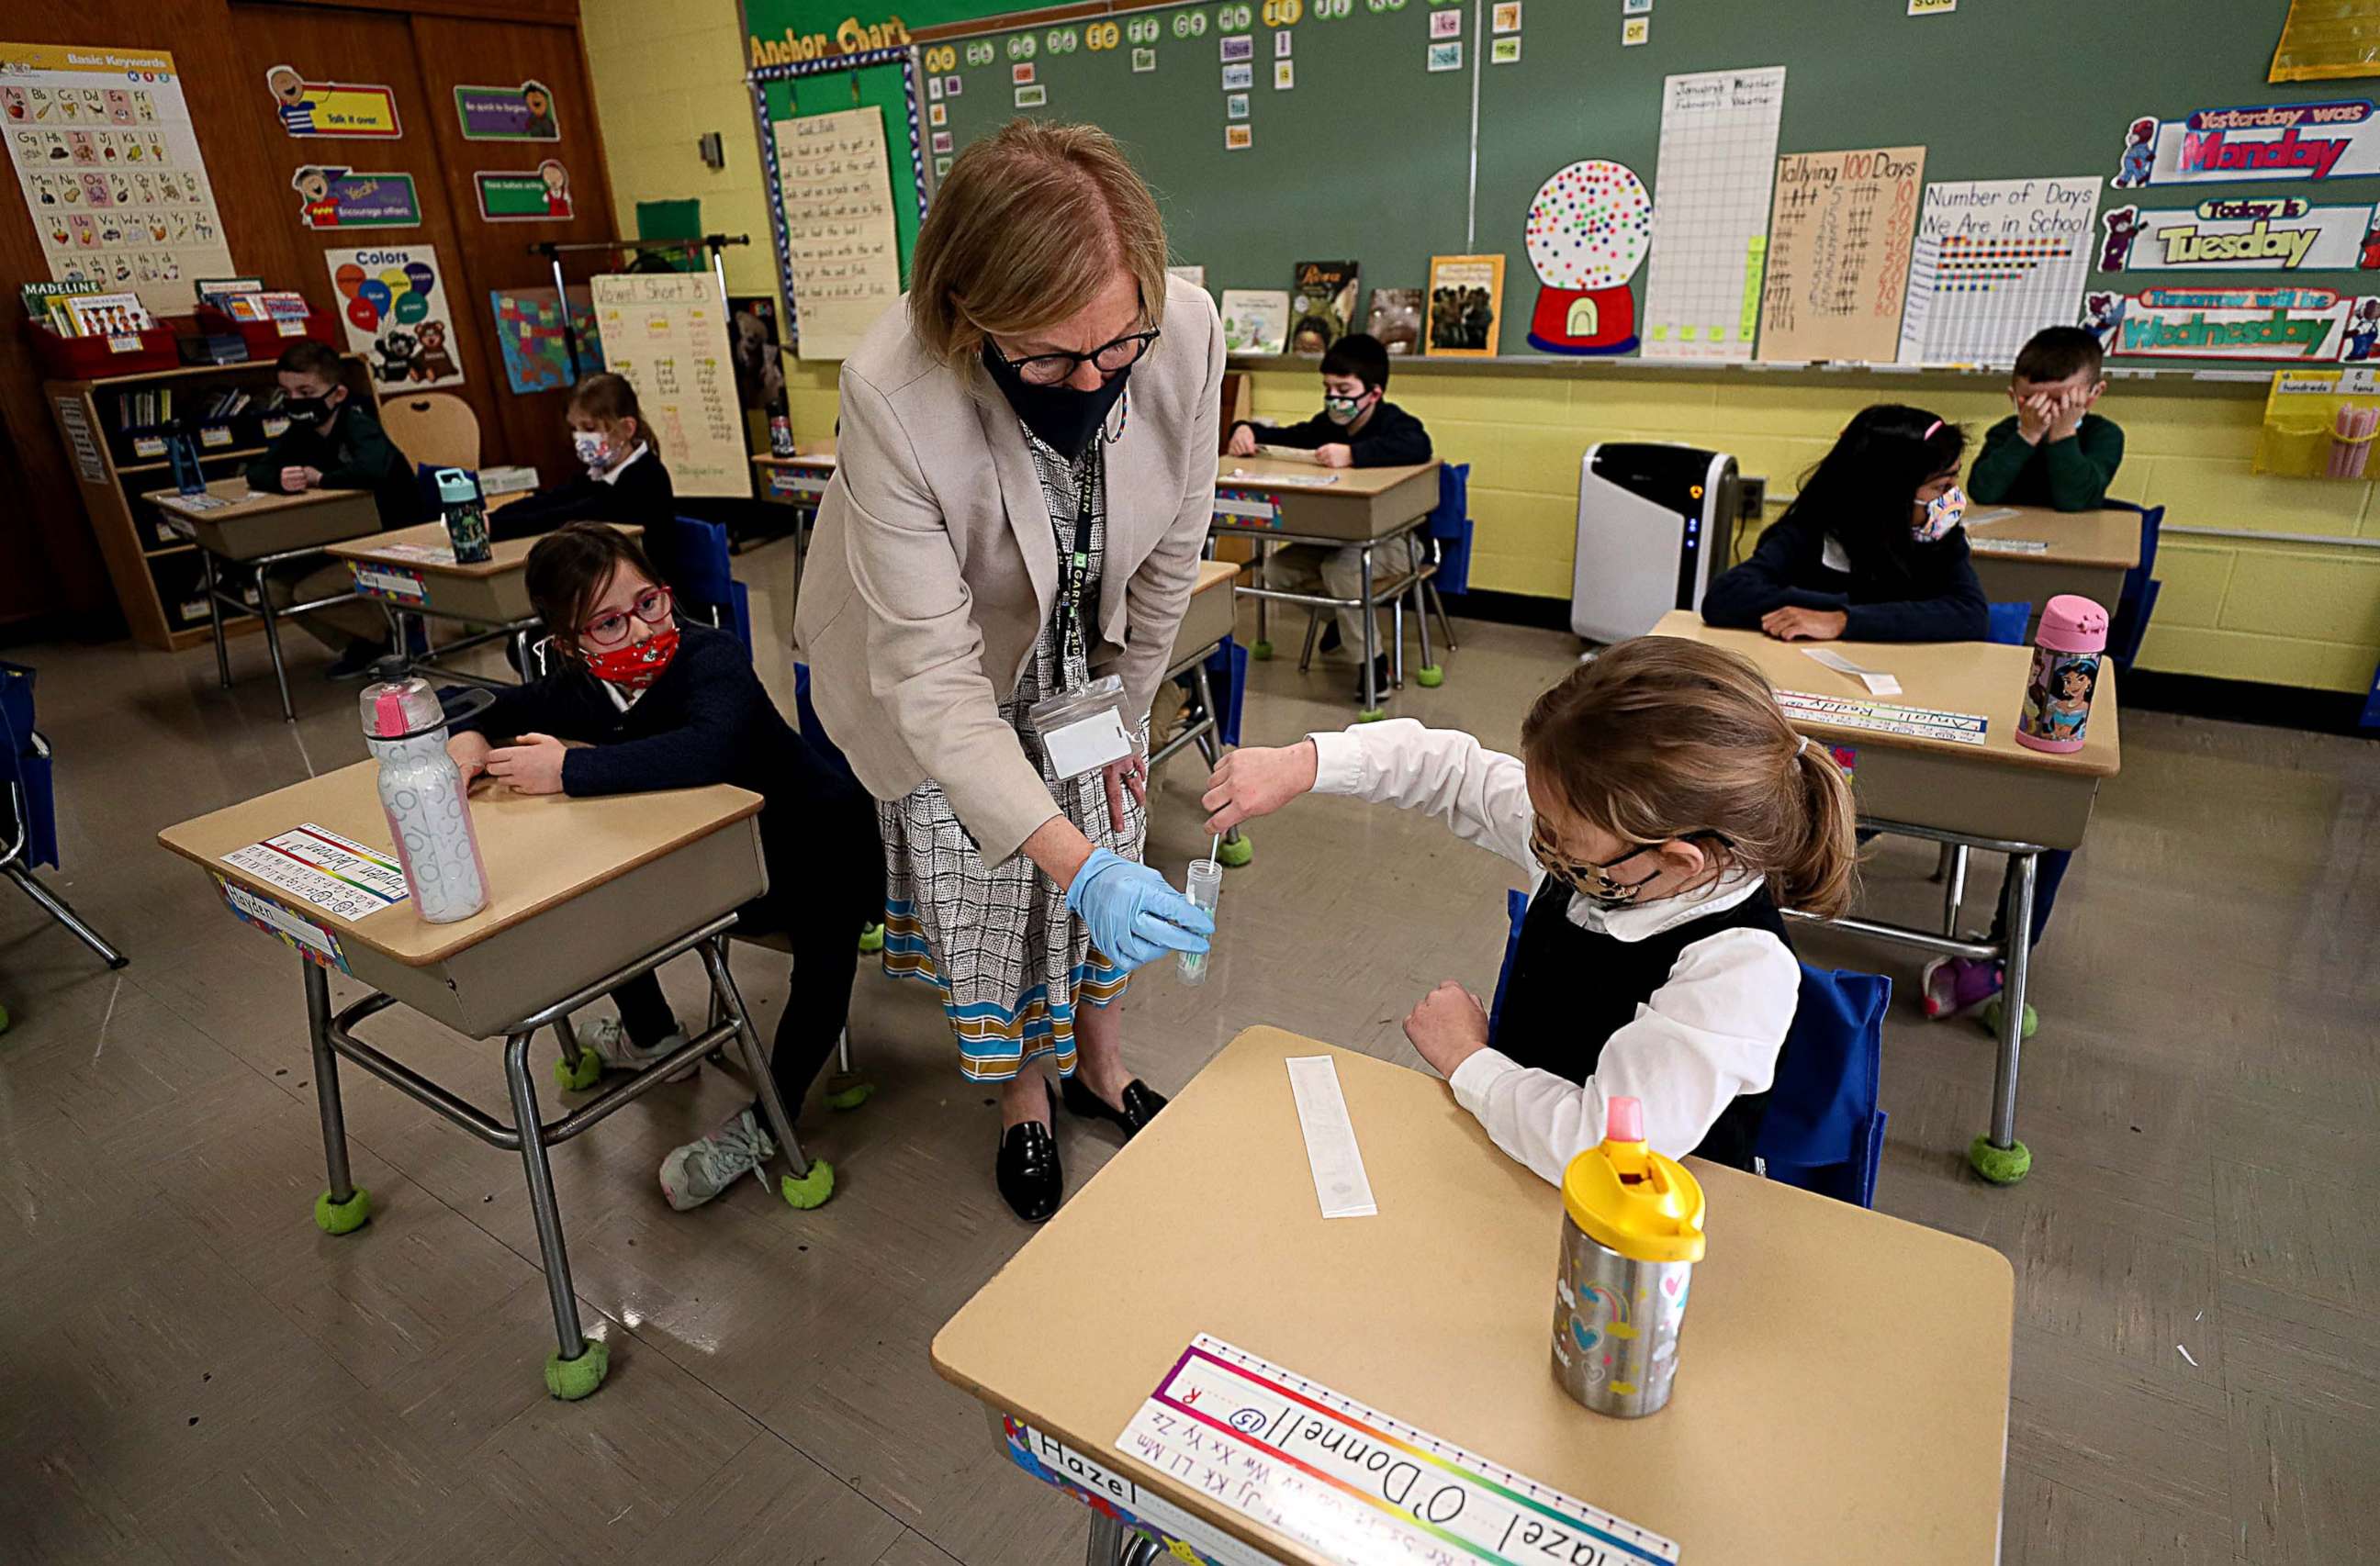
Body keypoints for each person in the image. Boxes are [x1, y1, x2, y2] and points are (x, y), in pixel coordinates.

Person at [793, 120, 1219, 1223]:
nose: (1089, 378)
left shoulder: (1182, 330)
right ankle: (1020, 1092)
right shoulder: (895, 390)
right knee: (993, 883)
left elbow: (1172, 554)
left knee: (1108, 837)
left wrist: (1124, 724)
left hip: (1085, 658)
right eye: (1043, 355)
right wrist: (1074, 862)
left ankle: (1098, 1064)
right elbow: (933, 681)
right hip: (948, 662)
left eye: (1114, 346)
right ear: (965, 317)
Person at [1201, 638, 1856, 1180]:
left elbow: (1603, 1153)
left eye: (1561, 837)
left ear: (1681, 858)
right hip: (1510, 1157)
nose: (1543, 843)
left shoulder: (1737, 971)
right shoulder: (1613, 851)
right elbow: (1454, 773)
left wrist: (1466, 1057)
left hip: (1622, 1234)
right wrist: (1308, 761)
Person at [445, 523, 882, 1210]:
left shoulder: (712, 656)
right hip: (710, 868)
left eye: (650, 603)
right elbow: (486, 705)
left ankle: (772, 1120)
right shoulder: (583, 688)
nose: (644, 630)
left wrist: (568, 768)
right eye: (610, 623)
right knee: (612, 892)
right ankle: (652, 1037)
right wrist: (469, 738)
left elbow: (706, 749)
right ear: (570, 646)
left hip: (816, 847)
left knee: (824, 965)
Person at [1224, 332, 1433, 697]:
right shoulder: (1327, 424)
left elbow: (1419, 444)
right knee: (1276, 570)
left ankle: (1373, 664)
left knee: (1342, 572)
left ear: (1374, 393)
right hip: (1341, 540)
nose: (1334, 397)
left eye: (1344, 388)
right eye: (1328, 387)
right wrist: (1244, 429)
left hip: (1399, 543)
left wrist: (1353, 454)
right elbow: (1290, 436)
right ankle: (1340, 617)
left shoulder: (1395, 423)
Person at [1700, 405, 1986, 643]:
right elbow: (1725, 597)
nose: (1953, 498)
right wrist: (1823, 609)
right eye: (1942, 486)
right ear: (1889, 493)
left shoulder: (1941, 537)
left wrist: (1844, 620)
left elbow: (1969, 614)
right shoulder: (1809, 533)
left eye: (1954, 481)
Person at [243, 339, 428, 678]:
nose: (296, 402)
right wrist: (280, 478)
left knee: (308, 591)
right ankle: (362, 645)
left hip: (391, 540)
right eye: (288, 393)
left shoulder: (360, 425)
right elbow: (257, 470)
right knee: (273, 587)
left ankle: (394, 639)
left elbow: (373, 470)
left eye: (306, 391)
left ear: (338, 395)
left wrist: (321, 479)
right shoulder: (301, 431)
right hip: (340, 540)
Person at [493, 372, 677, 539]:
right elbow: (552, 501)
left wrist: (496, 526)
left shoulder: (646, 478)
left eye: (589, 428)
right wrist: (491, 519)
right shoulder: (596, 474)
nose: (579, 438)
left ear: (627, 428)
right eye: (575, 429)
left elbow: (573, 516)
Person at [1963, 327, 2125, 511]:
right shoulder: (2006, 431)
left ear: (2094, 394)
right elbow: (1982, 493)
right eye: (2031, 400)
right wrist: (2026, 435)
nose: (2044, 410)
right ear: (2013, 396)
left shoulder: (2104, 434)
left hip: (2076, 533)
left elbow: (2075, 501)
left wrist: (2063, 433)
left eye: (2059, 400)